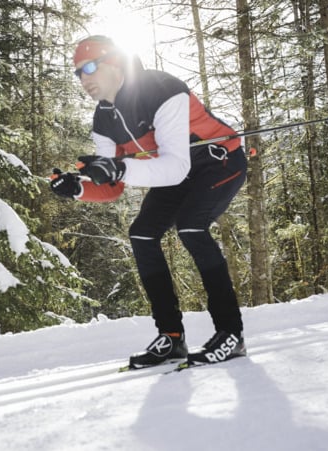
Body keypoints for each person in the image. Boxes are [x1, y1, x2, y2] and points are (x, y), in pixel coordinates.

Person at [50, 35, 247, 368]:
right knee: (141, 233)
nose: (84, 78)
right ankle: (171, 338)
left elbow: (174, 166)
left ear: (114, 62)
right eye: (78, 73)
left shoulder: (160, 89)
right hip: (174, 173)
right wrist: (79, 187)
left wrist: (120, 166)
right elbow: (112, 186)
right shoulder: (102, 120)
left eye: (90, 67)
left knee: (191, 227)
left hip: (218, 161)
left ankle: (231, 333)